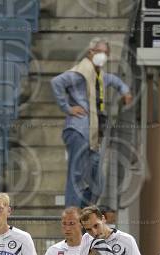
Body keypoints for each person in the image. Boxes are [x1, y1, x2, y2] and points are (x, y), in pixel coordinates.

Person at [51, 38, 133, 208]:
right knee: (76, 174)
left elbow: (114, 80)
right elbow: (57, 82)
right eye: (100, 51)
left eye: (106, 53)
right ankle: (72, 211)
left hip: (92, 134)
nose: (102, 55)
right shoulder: (80, 73)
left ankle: (82, 209)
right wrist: (67, 108)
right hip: (78, 128)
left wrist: (125, 91)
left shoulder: (99, 75)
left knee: (98, 181)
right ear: (91, 52)